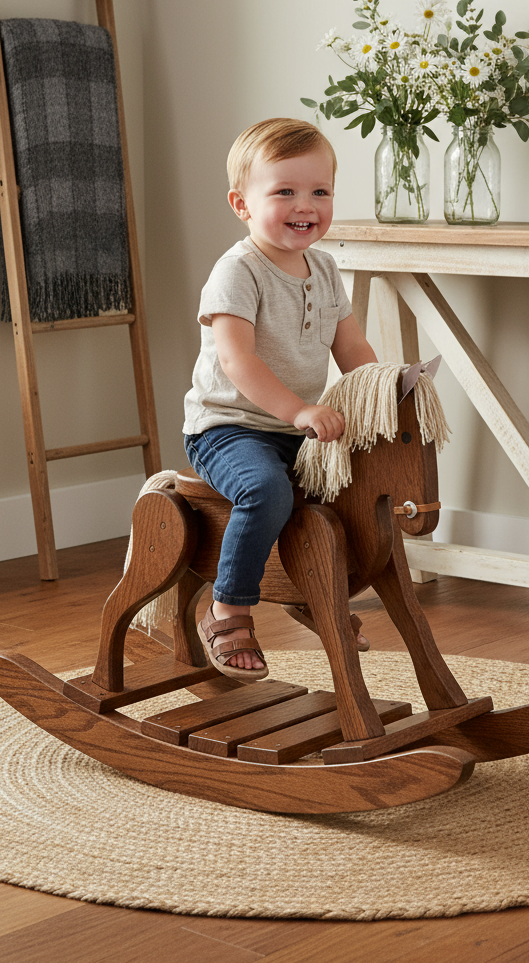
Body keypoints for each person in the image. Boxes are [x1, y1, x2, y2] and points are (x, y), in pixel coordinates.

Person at [182, 118, 377, 680]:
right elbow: (237, 361)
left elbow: (351, 346)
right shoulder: (238, 271)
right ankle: (228, 609)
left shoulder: (326, 268)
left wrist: (382, 392)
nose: (305, 205)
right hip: (228, 428)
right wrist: (300, 409)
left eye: (320, 191)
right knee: (266, 490)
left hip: (293, 429)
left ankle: (314, 592)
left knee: (351, 488)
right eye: (285, 191)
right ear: (241, 204)